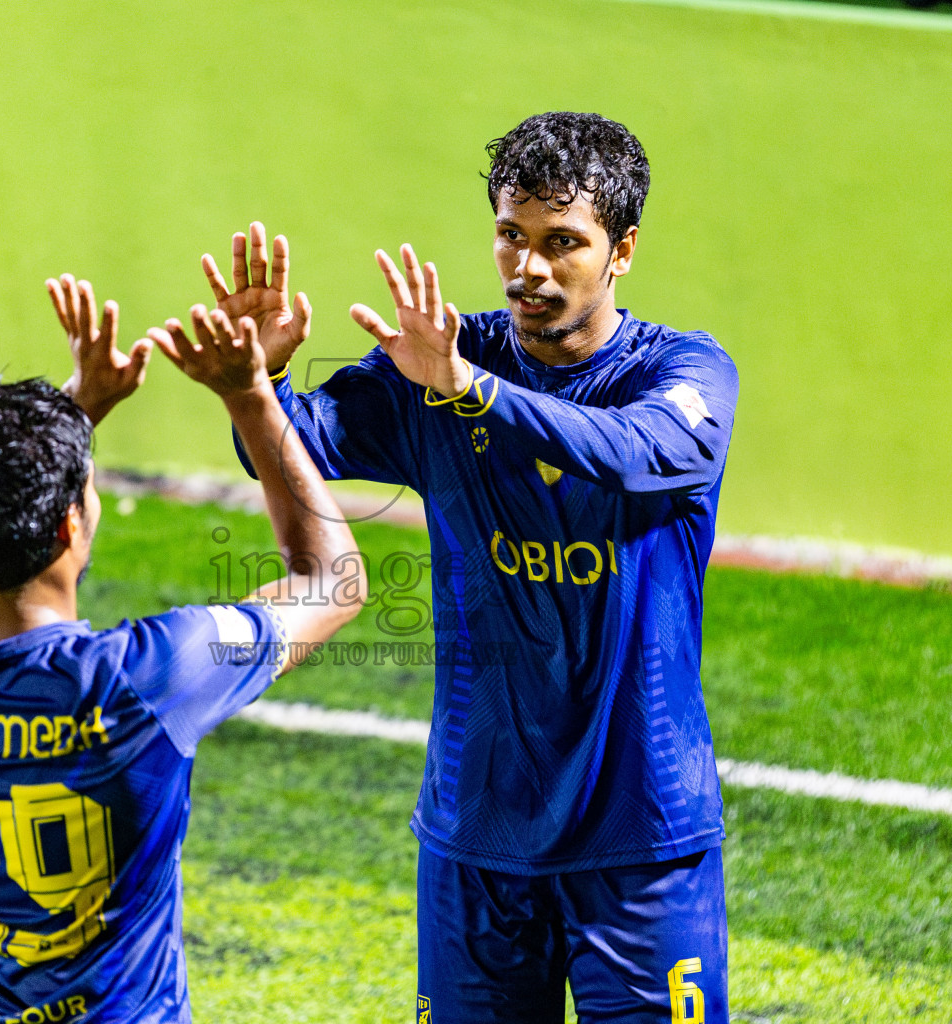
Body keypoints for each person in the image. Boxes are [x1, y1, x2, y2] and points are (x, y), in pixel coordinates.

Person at [206, 112, 737, 1022]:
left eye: (562, 242)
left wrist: (470, 391)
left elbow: (629, 451)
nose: (528, 267)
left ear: (624, 251)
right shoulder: (440, 359)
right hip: (477, 833)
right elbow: (285, 453)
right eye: (510, 236)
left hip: (642, 838)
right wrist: (261, 386)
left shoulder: (684, 373)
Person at [0, 277, 364, 1024]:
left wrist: (78, 405)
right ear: (71, 526)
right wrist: (252, 392)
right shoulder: (143, 680)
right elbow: (333, 581)